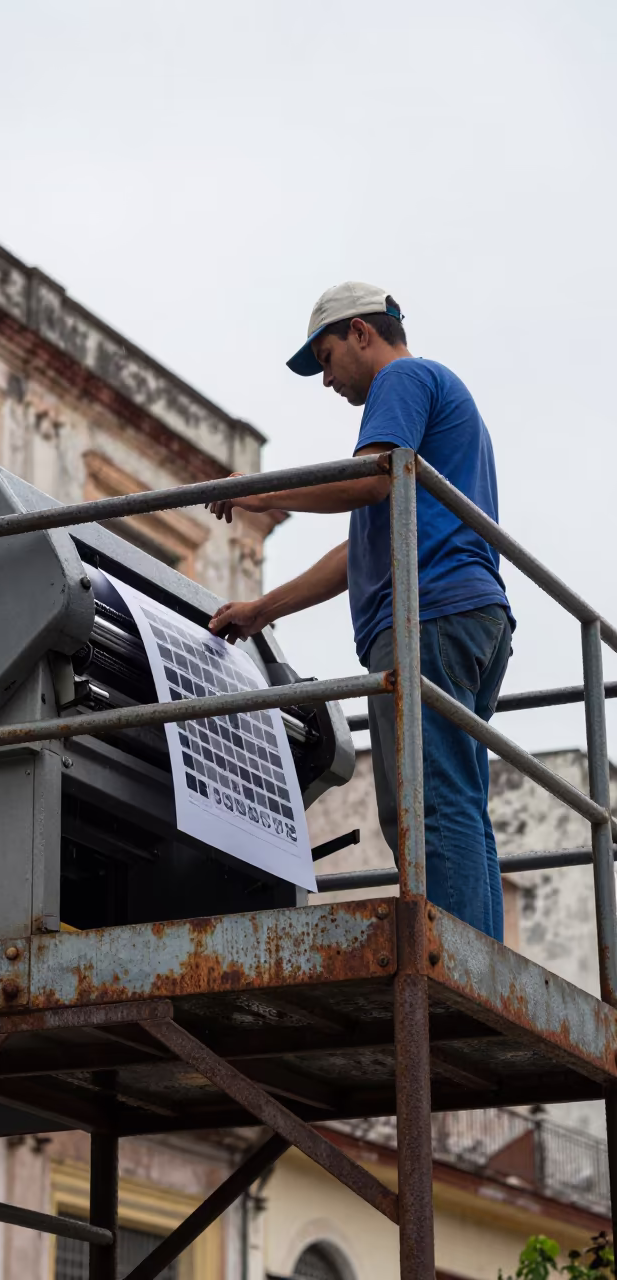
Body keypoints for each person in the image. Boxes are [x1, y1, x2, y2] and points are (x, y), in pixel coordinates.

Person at [206, 282, 514, 940]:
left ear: (362, 334)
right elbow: (360, 550)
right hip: (462, 615)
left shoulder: (401, 381)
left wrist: (259, 491)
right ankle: (477, 956)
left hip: (428, 617)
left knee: (428, 805)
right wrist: (263, 609)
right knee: (450, 797)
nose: (326, 379)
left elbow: (368, 480)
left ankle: (457, 964)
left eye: (325, 357)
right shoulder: (424, 417)